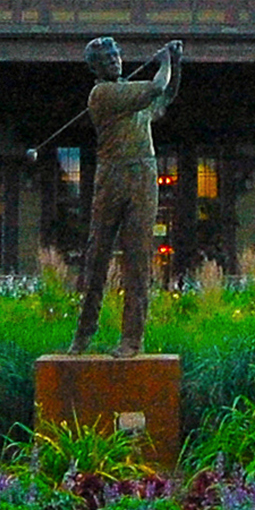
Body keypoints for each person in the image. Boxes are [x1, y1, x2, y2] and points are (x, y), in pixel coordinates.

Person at [69, 36, 182, 356]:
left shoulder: (130, 97)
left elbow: (165, 96)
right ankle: (83, 333)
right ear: (96, 67)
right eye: (107, 59)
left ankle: (132, 339)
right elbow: (156, 87)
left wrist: (176, 63)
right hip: (112, 176)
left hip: (143, 175)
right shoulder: (103, 94)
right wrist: (165, 63)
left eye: (116, 56)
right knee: (97, 256)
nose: (114, 61)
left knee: (138, 259)